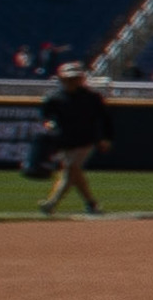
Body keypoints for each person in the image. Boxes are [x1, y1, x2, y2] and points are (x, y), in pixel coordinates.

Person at [36, 58, 112, 217]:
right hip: (64, 140)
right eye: (69, 79)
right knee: (74, 173)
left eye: (75, 78)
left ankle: (51, 204)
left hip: (86, 140)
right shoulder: (54, 97)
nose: (72, 82)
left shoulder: (91, 97)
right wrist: (48, 123)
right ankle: (91, 204)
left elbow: (104, 118)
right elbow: (44, 115)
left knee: (70, 169)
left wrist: (105, 138)